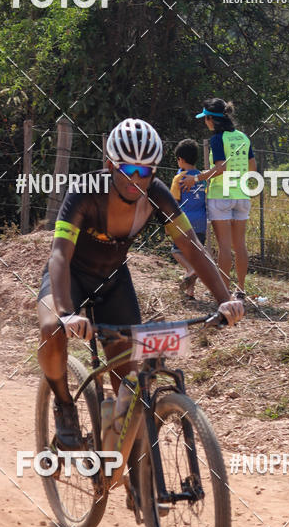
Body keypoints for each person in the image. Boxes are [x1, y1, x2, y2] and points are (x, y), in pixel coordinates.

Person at [37, 117, 244, 452]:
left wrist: (225, 299)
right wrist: (65, 313)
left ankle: (136, 476)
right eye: (129, 171)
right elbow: (59, 254)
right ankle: (63, 406)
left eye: (146, 172)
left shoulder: (157, 196)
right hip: (70, 278)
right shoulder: (85, 192)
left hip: (113, 281)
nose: (137, 180)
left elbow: (192, 246)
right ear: (109, 166)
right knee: (51, 330)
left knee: (128, 387)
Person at [181, 98, 256, 300]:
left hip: (221, 196)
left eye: (205, 119)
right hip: (242, 195)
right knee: (240, 245)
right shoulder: (243, 137)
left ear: (211, 119)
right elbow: (252, 168)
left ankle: (223, 292)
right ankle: (240, 289)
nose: (205, 122)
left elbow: (220, 168)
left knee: (224, 246)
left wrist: (196, 178)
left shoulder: (217, 139)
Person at [170, 138, 207, 299]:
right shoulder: (201, 177)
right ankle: (190, 291)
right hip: (201, 222)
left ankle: (190, 270)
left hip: (185, 222)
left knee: (176, 251)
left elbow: (173, 200)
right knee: (195, 255)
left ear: (181, 159)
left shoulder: (179, 178)